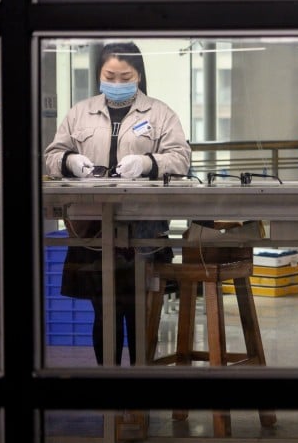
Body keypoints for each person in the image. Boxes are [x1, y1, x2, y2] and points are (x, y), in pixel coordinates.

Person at [44, 42, 191, 365]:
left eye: (126, 76)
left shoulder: (160, 113)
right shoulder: (80, 113)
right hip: (92, 228)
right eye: (110, 75)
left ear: (138, 76)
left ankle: (138, 397)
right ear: (99, 73)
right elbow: (51, 156)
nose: (118, 82)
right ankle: (108, 390)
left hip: (143, 229)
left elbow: (181, 158)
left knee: (139, 311)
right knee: (105, 312)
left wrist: (148, 163)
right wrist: (70, 161)